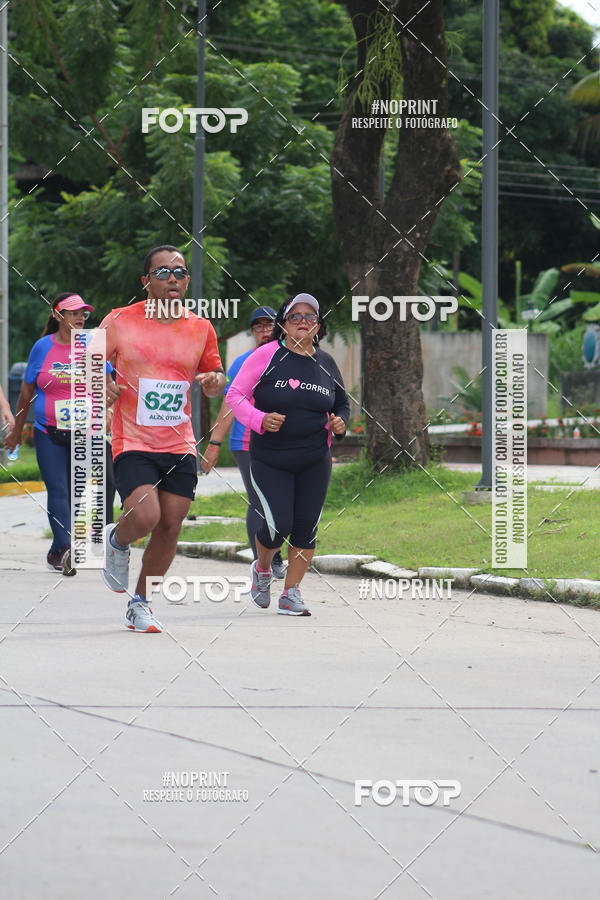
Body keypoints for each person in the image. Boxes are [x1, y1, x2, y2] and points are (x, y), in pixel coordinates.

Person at [100, 245, 225, 633]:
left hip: (179, 441)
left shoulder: (200, 327)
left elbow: (213, 381)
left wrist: (214, 382)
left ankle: (140, 603)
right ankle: (118, 540)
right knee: (146, 515)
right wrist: (103, 383)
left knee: (171, 524)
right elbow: (87, 365)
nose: (173, 278)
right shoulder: (119, 320)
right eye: (163, 272)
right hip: (133, 438)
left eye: (180, 272)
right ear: (146, 281)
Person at [227, 293, 349, 616]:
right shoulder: (266, 356)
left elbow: (342, 404)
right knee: (278, 523)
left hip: (315, 459)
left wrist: (341, 423)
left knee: (307, 526)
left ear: (319, 326)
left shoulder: (326, 363)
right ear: (283, 323)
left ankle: (291, 593)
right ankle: (263, 569)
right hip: (270, 458)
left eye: (310, 317)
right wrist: (259, 420)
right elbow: (235, 396)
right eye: (296, 316)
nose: (303, 322)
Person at [5, 292, 114, 575]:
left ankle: (65, 546)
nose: (79, 318)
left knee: (84, 490)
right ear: (57, 315)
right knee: (58, 489)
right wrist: (16, 432)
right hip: (48, 431)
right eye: (73, 313)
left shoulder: (92, 345)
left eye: (83, 314)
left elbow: (108, 384)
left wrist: (109, 407)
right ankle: (66, 550)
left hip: (87, 432)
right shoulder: (42, 348)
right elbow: (27, 392)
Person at [201, 305, 285, 578]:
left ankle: (273, 554)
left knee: (280, 501)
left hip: (282, 443)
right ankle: (263, 562)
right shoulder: (242, 363)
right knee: (259, 501)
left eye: (269, 325)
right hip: (246, 442)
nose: (264, 330)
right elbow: (228, 407)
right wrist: (214, 445)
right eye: (257, 326)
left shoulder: (289, 359)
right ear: (252, 332)